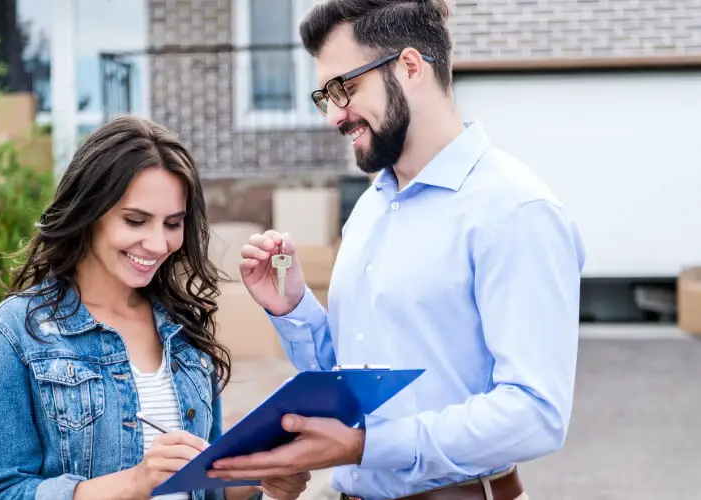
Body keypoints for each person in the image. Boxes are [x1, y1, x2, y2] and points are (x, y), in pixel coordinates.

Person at [207, 1, 586, 499]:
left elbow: (536, 413)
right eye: (325, 96)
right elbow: (354, 385)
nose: (334, 115)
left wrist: (367, 445)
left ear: (410, 67)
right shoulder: (371, 207)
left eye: (345, 88)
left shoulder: (515, 210)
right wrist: (295, 309)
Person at [0, 115, 311, 500]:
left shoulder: (184, 331)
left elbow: (205, 486)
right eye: (136, 221)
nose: (157, 244)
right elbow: (0, 493)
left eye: (172, 223)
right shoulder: (14, 334)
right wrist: (135, 482)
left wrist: (261, 480)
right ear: (89, 212)